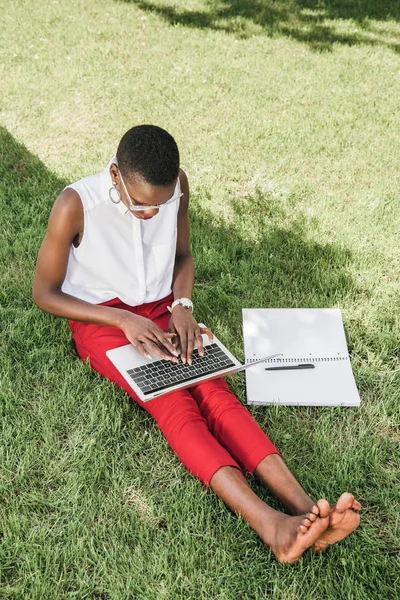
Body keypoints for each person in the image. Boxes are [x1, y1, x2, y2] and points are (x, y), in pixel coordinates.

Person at [32, 124, 361, 564]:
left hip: (164, 309)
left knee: (215, 390)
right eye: (141, 206)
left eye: (160, 205)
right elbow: (45, 292)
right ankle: (269, 524)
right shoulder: (76, 204)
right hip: (103, 321)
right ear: (114, 176)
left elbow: (182, 257)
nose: (153, 214)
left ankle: (304, 508)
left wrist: (182, 304)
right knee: (173, 401)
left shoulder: (177, 187)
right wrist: (121, 318)